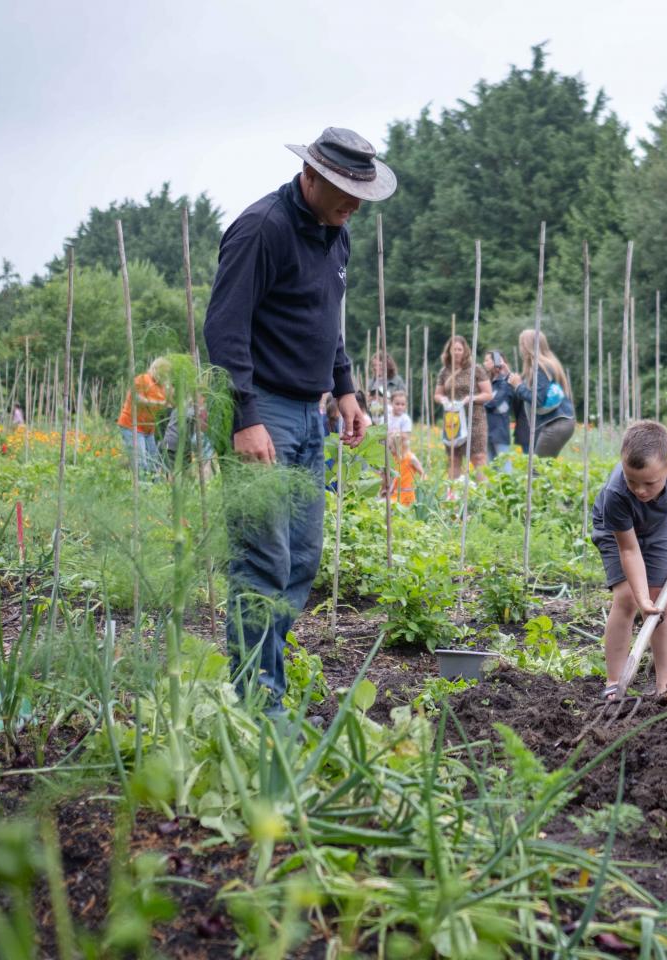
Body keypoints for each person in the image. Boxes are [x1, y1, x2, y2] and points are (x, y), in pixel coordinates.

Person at [203, 126, 392, 715]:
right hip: (263, 412)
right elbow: (224, 330)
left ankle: (264, 678)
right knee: (263, 560)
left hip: (310, 416)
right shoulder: (262, 229)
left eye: (359, 194)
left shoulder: (337, 232)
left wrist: (346, 389)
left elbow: (326, 321)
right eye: (341, 191)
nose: (352, 205)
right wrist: (243, 418)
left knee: (302, 560)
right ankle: (259, 702)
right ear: (309, 176)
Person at [590, 420, 667, 698]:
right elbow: (628, 550)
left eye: (649, 483)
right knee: (627, 598)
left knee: (662, 601)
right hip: (616, 531)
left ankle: (664, 683)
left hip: (657, 528)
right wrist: (642, 600)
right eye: (633, 481)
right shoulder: (616, 494)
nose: (640, 490)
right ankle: (614, 682)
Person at [434, 334, 493, 482]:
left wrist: (472, 398)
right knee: (454, 458)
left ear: (465, 350)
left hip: (475, 419)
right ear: (449, 351)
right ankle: (453, 494)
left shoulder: (476, 369)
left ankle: (482, 492)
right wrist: (444, 400)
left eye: (460, 349)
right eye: (454, 349)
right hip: (454, 420)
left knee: (478, 457)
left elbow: (488, 394)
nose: (457, 352)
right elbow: (437, 394)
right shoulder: (444, 372)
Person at [509, 330, 574, 457]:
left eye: (522, 344)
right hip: (561, 421)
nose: (520, 348)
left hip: (556, 423)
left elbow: (537, 400)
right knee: (545, 468)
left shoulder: (540, 367)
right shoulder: (547, 364)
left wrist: (518, 386)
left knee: (537, 470)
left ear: (529, 346)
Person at [117, 358, 170, 475]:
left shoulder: (161, 387)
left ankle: (154, 489)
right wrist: (158, 403)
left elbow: (168, 403)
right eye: (165, 373)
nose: (166, 376)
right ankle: (143, 489)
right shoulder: (143, 379)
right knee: (141, 462)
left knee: (154, 463)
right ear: (157, 370)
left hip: (148, 430)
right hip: (132, 426)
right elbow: (137, 400)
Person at [483, 351, 515, 462]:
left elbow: (493, 402)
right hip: (488, 429)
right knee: (490, 469)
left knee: (505, 468)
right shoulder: (490, 382)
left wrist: (479, 401)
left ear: (496, 362)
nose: (484, 363)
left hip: (499, 430)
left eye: (487, 360)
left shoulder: (504, 382)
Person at [385, 430, 424, 507]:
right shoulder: (394, 458)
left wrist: (419, 486)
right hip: (396, 493)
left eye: (390, 447)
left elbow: (422, 473)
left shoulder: (411, 458)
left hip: (407, 495)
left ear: (398, 446)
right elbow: (395, 478)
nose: (389, 450)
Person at [367, 351, 405, 418]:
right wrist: (369, 399)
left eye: (380, 365)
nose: (376, 368)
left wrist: (383, 400)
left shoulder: (397, 381)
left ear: (388, 365)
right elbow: (366, 404)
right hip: (374, 419)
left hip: (391, 419)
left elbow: (402, 403)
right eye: (374, 365)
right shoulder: (371, 382)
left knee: (385, 428)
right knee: (373, 428)